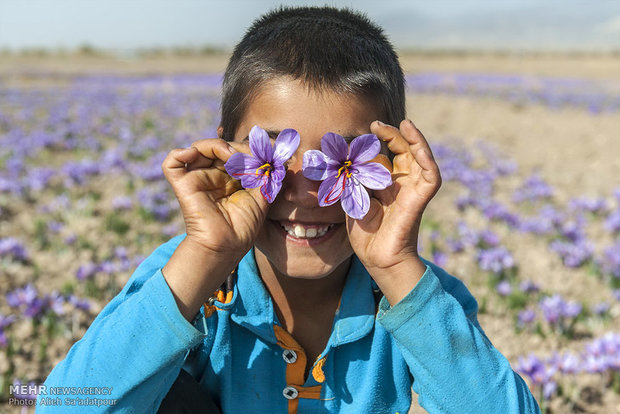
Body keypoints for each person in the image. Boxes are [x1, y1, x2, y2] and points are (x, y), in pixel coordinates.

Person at [38, 6, 540, 413]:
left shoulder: (418, 300)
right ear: (225, 155)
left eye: (339, 162)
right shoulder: (194, 281)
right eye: (273, 160)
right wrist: (207, 252)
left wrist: (394, 266)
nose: (302, 193)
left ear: (392, 166)